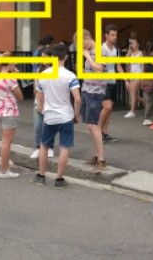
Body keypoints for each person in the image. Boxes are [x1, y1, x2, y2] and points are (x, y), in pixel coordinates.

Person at [30, 43, 81, 189]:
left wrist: (41, 107)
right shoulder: (70, 76)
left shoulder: (44, 75)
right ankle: (59, 179)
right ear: (66, 57)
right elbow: (77, 99)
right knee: (64, 147)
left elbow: (39, 95)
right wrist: (75, 114)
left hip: (50, 116)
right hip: (66, 115)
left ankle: (41, 176)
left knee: (44, 146)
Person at [76, 29, 109, 173]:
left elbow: (99, 69)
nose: (81, 47)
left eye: (81, 43)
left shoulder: (101, 50)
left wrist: (87, 56)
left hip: (96, 91)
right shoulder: (91, 51)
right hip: (88, 89)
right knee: (91, 125)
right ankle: (97, 155)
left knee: (92, 125)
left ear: (87, 38)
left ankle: (101, 159)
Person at [0, 52, 24, 178]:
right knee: (7, 143)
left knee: (4, 141)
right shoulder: (10, 79)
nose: (15, 64)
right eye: (14, 62)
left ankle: (4, 164)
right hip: (9, 112)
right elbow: (20, 96)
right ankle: (4, 171)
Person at [99, 24, 123, 143]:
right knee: (107, 107)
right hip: (103, 82)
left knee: (109, 109)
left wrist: (126, 80)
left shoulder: (116, 50)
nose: (115, 37)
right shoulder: (101, 49)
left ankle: (104, 133)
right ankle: (98, 131)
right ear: (106, 36)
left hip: (113, 81)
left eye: (116, 35)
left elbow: (118, 66)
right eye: (112, 35)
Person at [31, 47, 54, 159]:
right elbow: (36, 87)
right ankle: (38, 147)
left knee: (49, 127)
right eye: (42, 57)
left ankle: (49, 147)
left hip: (50, 103)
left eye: (45, 57)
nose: (43, 59)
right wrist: (39, 100)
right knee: (38, 126)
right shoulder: (39, 70)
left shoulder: (55, 71)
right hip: (38, 102)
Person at [124, 37, 144, 118]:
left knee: (132, 92)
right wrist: (129, 52)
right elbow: (126, 62)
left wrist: (142, 77)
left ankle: (132, 111)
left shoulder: (140, 53)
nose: (132, 44)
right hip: (132, 74)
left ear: (138, 44)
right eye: (131, 43)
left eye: (134, 43)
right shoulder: (131, 53)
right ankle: (147, 103)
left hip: (138, 75)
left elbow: (142, 65)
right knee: (133, 94)